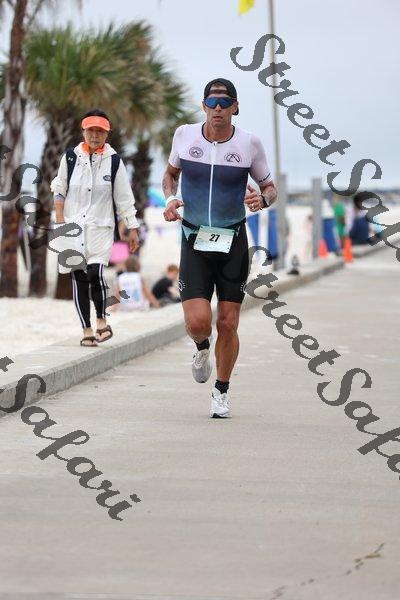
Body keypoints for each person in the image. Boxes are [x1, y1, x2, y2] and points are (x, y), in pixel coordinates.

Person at [162, 78, 277, 418]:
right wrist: (170, 199)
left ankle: (221, 392)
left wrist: (263, 200)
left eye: (224, 103)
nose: (217, 109)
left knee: (228, 322)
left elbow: (270, 188)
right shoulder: (184, 136)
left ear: (235, 107)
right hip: (194, 239)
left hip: (233, 241)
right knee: (199, 322)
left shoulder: (249, 143)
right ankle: (201, 347)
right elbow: (169, 175)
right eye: (211, 103)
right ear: (203, 106)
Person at [51, 109, 140, 346]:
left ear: (106, 134)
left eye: (100, 131)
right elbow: (59, 189)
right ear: (84, 131)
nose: (95, 135)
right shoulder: (70, 158)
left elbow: (124, 198)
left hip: (101, 228)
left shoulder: (114, 162)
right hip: (71, 228)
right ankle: (87, 329)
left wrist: (132, 227)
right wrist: (59, 221)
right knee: (79, 277)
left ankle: (101, 320)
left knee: (95, 273)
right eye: (91, 130)